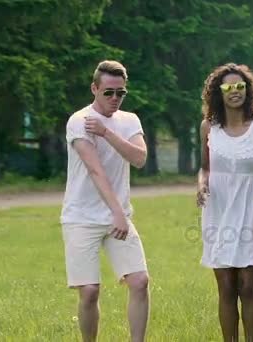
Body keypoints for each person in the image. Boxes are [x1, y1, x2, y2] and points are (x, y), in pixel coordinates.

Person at [60, 60, 149, 342]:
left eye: (120, 93)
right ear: (94, 88)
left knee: (140, 281)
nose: (114, 99)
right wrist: (118, 213)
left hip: (118, 216)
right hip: (81, 217)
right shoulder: (78, 120)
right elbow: (96, 170)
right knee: (89, 291)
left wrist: (106, 132)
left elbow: (139, 158)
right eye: (108, 92)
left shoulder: (129, 121)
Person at [197, 63, 253, 342]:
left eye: (240, 86)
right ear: (218, 93)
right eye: (228, 87)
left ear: (248, 91)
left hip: (248, 212)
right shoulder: (209, 128)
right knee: (226, 287)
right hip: (218, 211)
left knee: (247, 286)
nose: (235, 92)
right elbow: (205, 167)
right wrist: (201, 184)